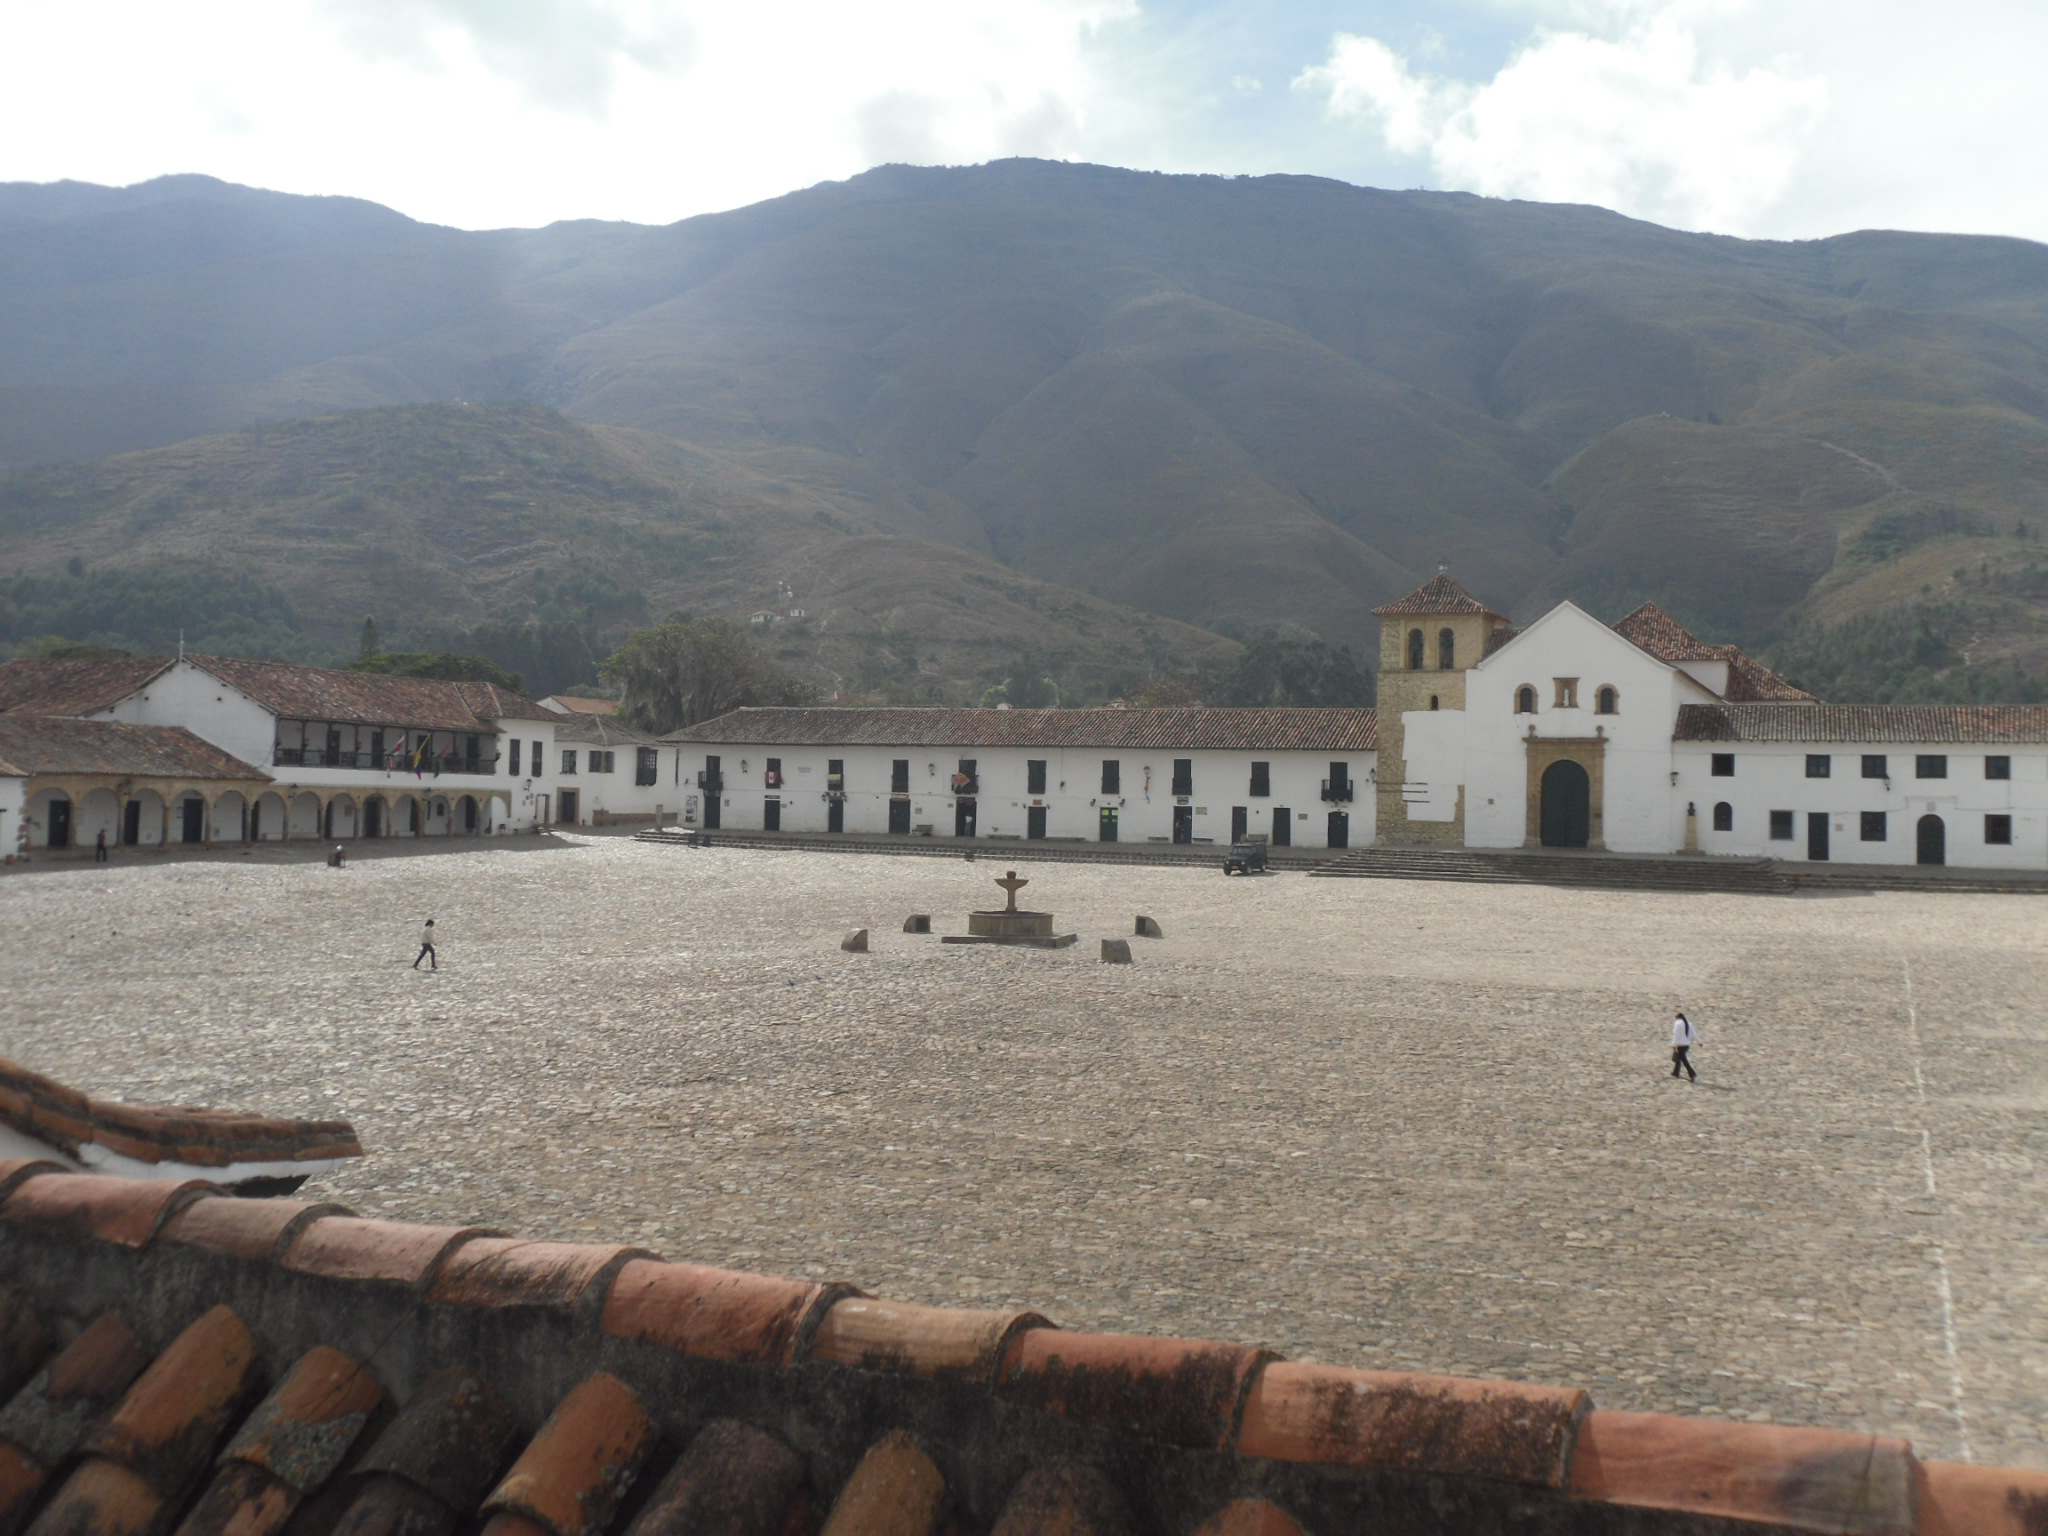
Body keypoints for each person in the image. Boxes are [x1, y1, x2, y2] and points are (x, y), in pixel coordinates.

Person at [1670, 1011, 1699, 1082]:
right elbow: (1694, 1034)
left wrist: (1674, 1044)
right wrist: (1699, 1041)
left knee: (1684, 1060)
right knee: (1679, 1058)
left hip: (1680, 1045)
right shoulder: (1689, 1024)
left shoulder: (1677, 1024)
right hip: (1687, 1045)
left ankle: (1692, 1073)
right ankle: (1676, 1072)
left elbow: (1676, 1035)